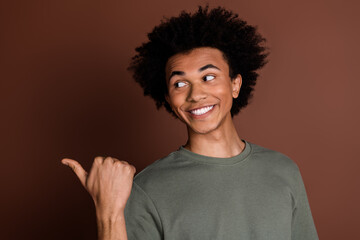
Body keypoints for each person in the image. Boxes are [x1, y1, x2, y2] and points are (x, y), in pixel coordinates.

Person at [61, 5, 319, 240]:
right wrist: (108, 212)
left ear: (235, 84)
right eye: (180, 83)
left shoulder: (283, 170)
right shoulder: (146, 189)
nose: (195, 94)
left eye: (208, 77)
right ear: (169, 99)